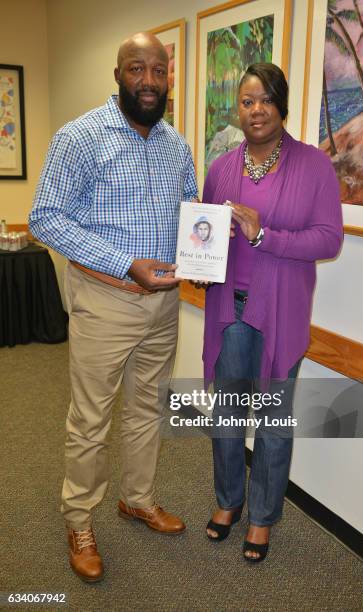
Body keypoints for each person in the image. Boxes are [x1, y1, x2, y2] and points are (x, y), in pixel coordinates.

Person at [29, 32, 198, 582]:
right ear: (118, 73)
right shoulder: (79, 138)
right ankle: (78, 519)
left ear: (168, 78)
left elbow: (189, 216)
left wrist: (201, 250)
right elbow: (46, 218)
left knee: (148, 408)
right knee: (91, 421)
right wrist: (127, 263)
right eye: (136, 69)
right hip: (105, 302)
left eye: (158, 70)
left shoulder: (177, 145)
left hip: (163, 306)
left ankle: (138, 498)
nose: (149, 81)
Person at [202, 63, 343, 562]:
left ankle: (262, 515)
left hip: (280, 312)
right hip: (228, 309)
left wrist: (265, 236)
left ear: (281, 104)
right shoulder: (220, 168)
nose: (256, 109)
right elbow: (206, 234)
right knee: (226, 412)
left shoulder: (313, 165)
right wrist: (200, 262)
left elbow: (329, 239)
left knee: (272, 417)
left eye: (265, 99)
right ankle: (228, 501)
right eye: (246, 101)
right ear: (237, 109)